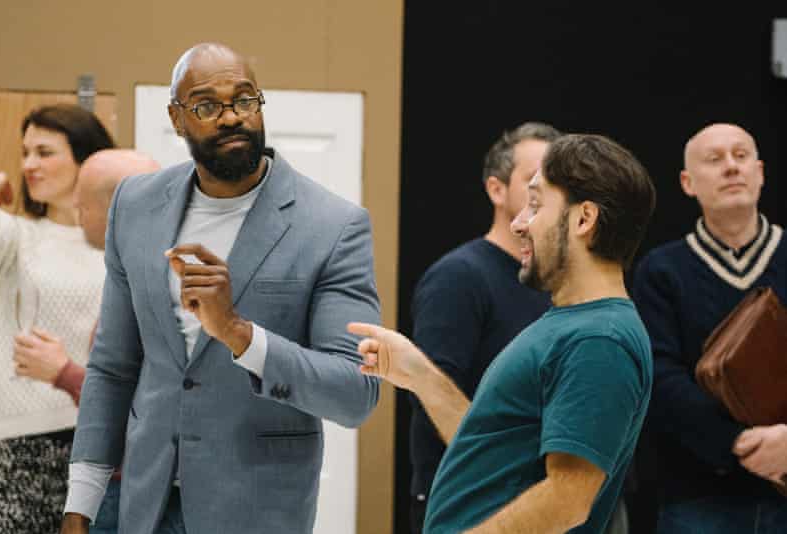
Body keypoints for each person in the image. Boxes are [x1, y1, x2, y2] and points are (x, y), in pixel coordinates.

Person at [60, 43, 380, 534]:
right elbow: (113, 366)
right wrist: (81, 502)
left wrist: (238, 333)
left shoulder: (334, 227)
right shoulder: (136, 204)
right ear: (177, 117)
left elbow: (355, 393)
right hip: (145, 505)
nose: (231, 117)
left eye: (245, 100)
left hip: (256, 511)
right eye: (207, 105)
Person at [350, 133, 657, 533]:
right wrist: (418, 374)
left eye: (535, 205)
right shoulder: (570, 324)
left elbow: (568, 498)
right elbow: (490, 449)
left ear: (583, 219)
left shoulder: (598, 339)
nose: (518, 223)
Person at [0, 103, 115, 533]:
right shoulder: (17, 237)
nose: (29, 165)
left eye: (44, 152)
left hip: (98, 443)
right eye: (25, 153)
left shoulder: (118, 243)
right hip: (19, 442)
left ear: (86, 158)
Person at [631, 123, 787, 533]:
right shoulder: (660, 271)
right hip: (698, 498)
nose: (731, 168)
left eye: (741, 156)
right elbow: (658, 377)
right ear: (687, 182)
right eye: (714, 160)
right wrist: (734, 441)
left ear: (761, 172)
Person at [406, 122, 558, 532]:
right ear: (496, 190)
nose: (546, 194)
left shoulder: (557, 278)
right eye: (533, 182)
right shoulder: (460, 276)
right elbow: (433, 391)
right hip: (474, 500)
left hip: (545, 496)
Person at [11, 148, 160, 534]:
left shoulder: (158, 285)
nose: (76, 214)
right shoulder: (135, 272)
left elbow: (148, 402)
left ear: (115, 210)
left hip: (133, 491)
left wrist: (64, 373)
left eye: (82, 207)